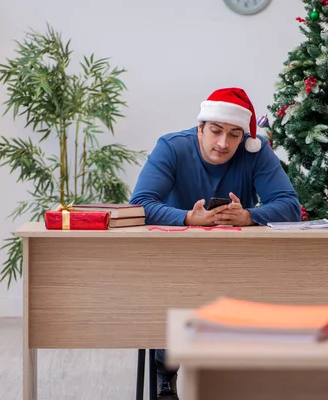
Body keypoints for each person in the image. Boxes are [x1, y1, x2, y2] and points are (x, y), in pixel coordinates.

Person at [129, 87, 302, 398]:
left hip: (234, 261)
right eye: (216, 131)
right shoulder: (171, 147)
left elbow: (290, 205)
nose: (224, 143)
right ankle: (164, 370)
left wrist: (249, 215)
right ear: (201, 127)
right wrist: (187, 218)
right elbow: (139, 204)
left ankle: (241, 374)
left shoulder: (255, 151)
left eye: (235, 135)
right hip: (174, 259)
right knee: (173, 287)